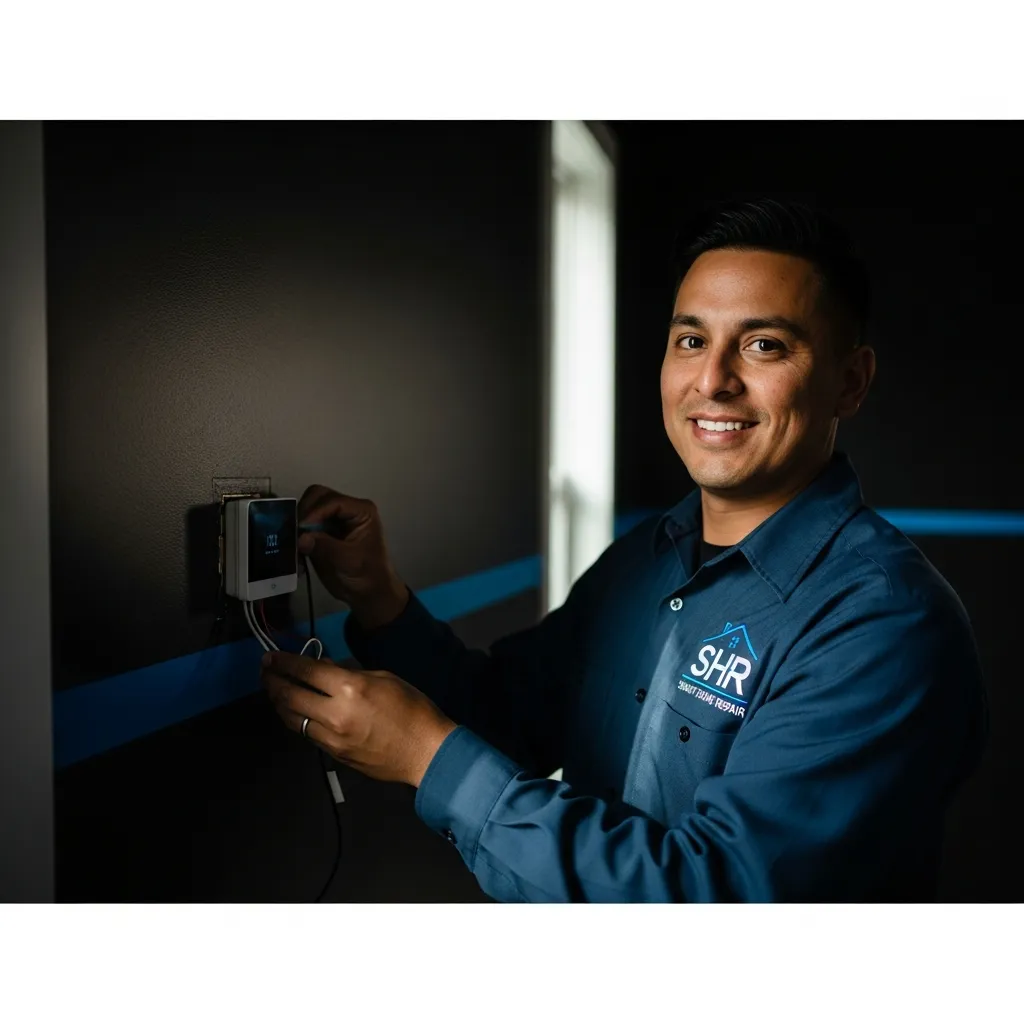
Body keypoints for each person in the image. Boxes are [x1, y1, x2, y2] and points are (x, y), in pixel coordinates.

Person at [261, 198, 988, 901]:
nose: (712, 381)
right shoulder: (648, 557)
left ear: (850, 383)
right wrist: (378, 598)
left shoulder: (882, 625)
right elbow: (509, 715)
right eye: (691, 340)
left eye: (764, 345)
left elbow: (719, 899)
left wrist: (427, 757)